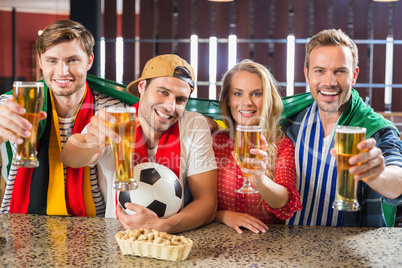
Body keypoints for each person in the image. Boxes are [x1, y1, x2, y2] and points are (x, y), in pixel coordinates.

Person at [60, 54, 218, 233]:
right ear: (142, 86)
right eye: (163, 92)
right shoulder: (116, 118)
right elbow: (69, 157)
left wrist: (164, 226)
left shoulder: (194, 125)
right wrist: (90, 140)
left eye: (180, 99)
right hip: (116, 241)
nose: (170, 106)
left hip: (173, 242)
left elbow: (207, 203)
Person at [0, 20, 131, 216]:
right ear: (40, 62)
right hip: (20, 219)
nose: (62, 71)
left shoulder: (114, 109)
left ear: (89, 61)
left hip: (93, 222)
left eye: (72, 60)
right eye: (52, 60)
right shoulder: (14, 103)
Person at [282, 29, 402, 227]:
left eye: (340, 71)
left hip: (352, 249)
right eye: (320, 70)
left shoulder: (378, 130)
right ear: (307, 74)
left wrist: (377, 175)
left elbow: (397, 180)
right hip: (291, 245)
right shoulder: (289, 122)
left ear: (354, 75)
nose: (329, 82)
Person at [212, 59, 302, 234]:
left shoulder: (282, 145)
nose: (247, 102)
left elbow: (285, 204)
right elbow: (198, 201)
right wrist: (223, 216)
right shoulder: (215, 142)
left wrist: (260, 180)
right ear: (228, 100)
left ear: (267, 100)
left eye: (256, 94)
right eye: (238, 94)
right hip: (218, 241)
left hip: (266, 246)